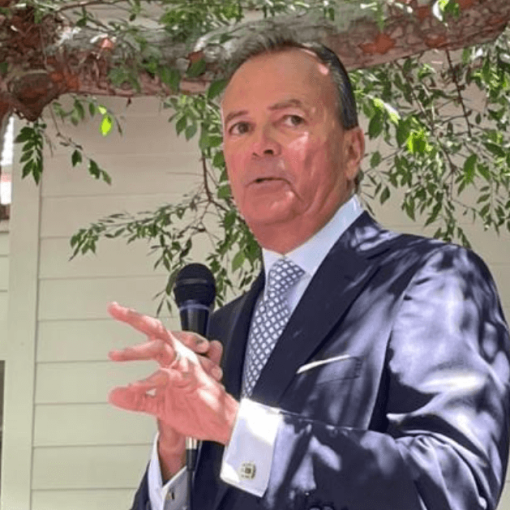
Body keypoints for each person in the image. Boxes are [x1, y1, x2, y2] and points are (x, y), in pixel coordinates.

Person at [108, 31, 510, 510]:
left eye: (290, 120)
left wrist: (237, 427)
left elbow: (452, 487)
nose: (260, 146)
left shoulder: (430, 279)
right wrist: (173, 452)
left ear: (352, 150)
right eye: (240, 127)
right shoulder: (221, 330)